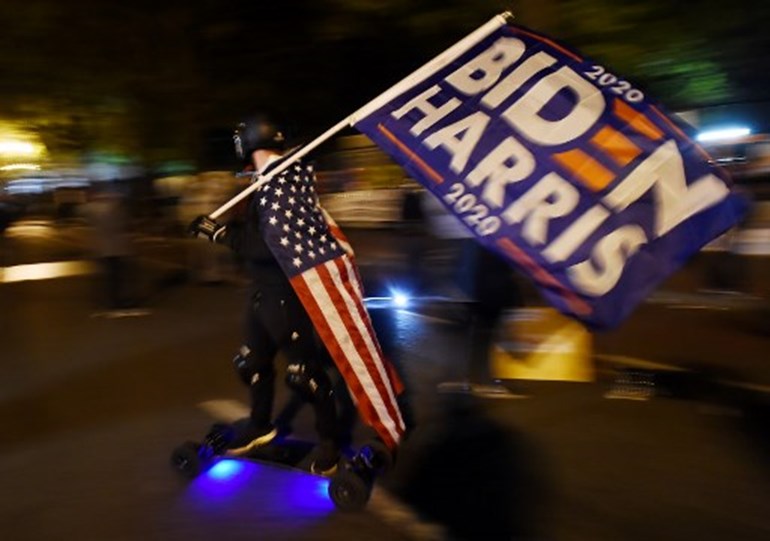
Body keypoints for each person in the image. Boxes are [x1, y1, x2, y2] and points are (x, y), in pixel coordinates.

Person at [188, 114, 341, 475]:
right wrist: (222, 228)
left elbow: (267, 246)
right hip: (260, 292)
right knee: (251, 362)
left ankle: (330, 445)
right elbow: (254, 231)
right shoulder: (264, 181)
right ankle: (260, 425)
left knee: (305, 372)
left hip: (284, 293)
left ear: (249, 142)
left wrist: (217, 235)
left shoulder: (282, 183)